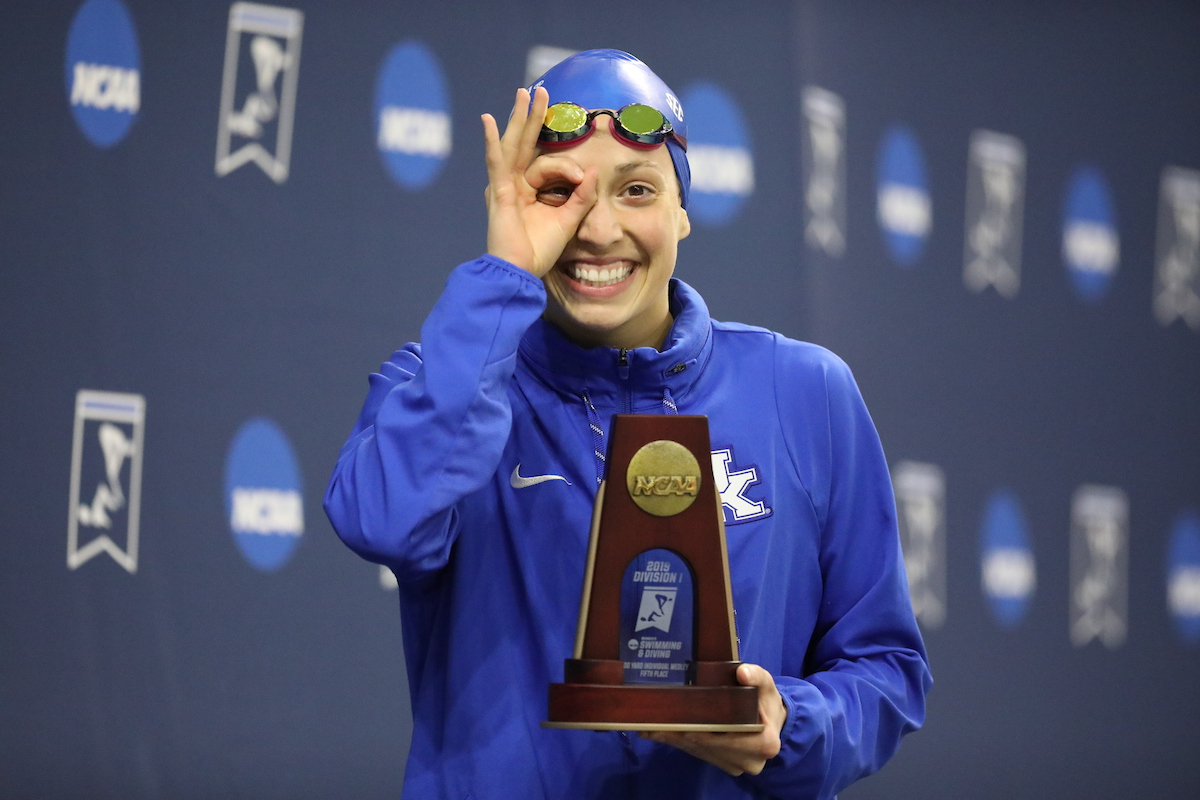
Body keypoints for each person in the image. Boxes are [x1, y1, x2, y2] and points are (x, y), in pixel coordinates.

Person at [324, 49, 931, 800]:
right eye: (560, 194)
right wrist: (503, 276)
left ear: (682, 210)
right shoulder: (438, 383)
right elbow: (383, 522)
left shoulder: (805, 393)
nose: (598, 228)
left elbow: (887, 672)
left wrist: (789, 721)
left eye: (636, 190)